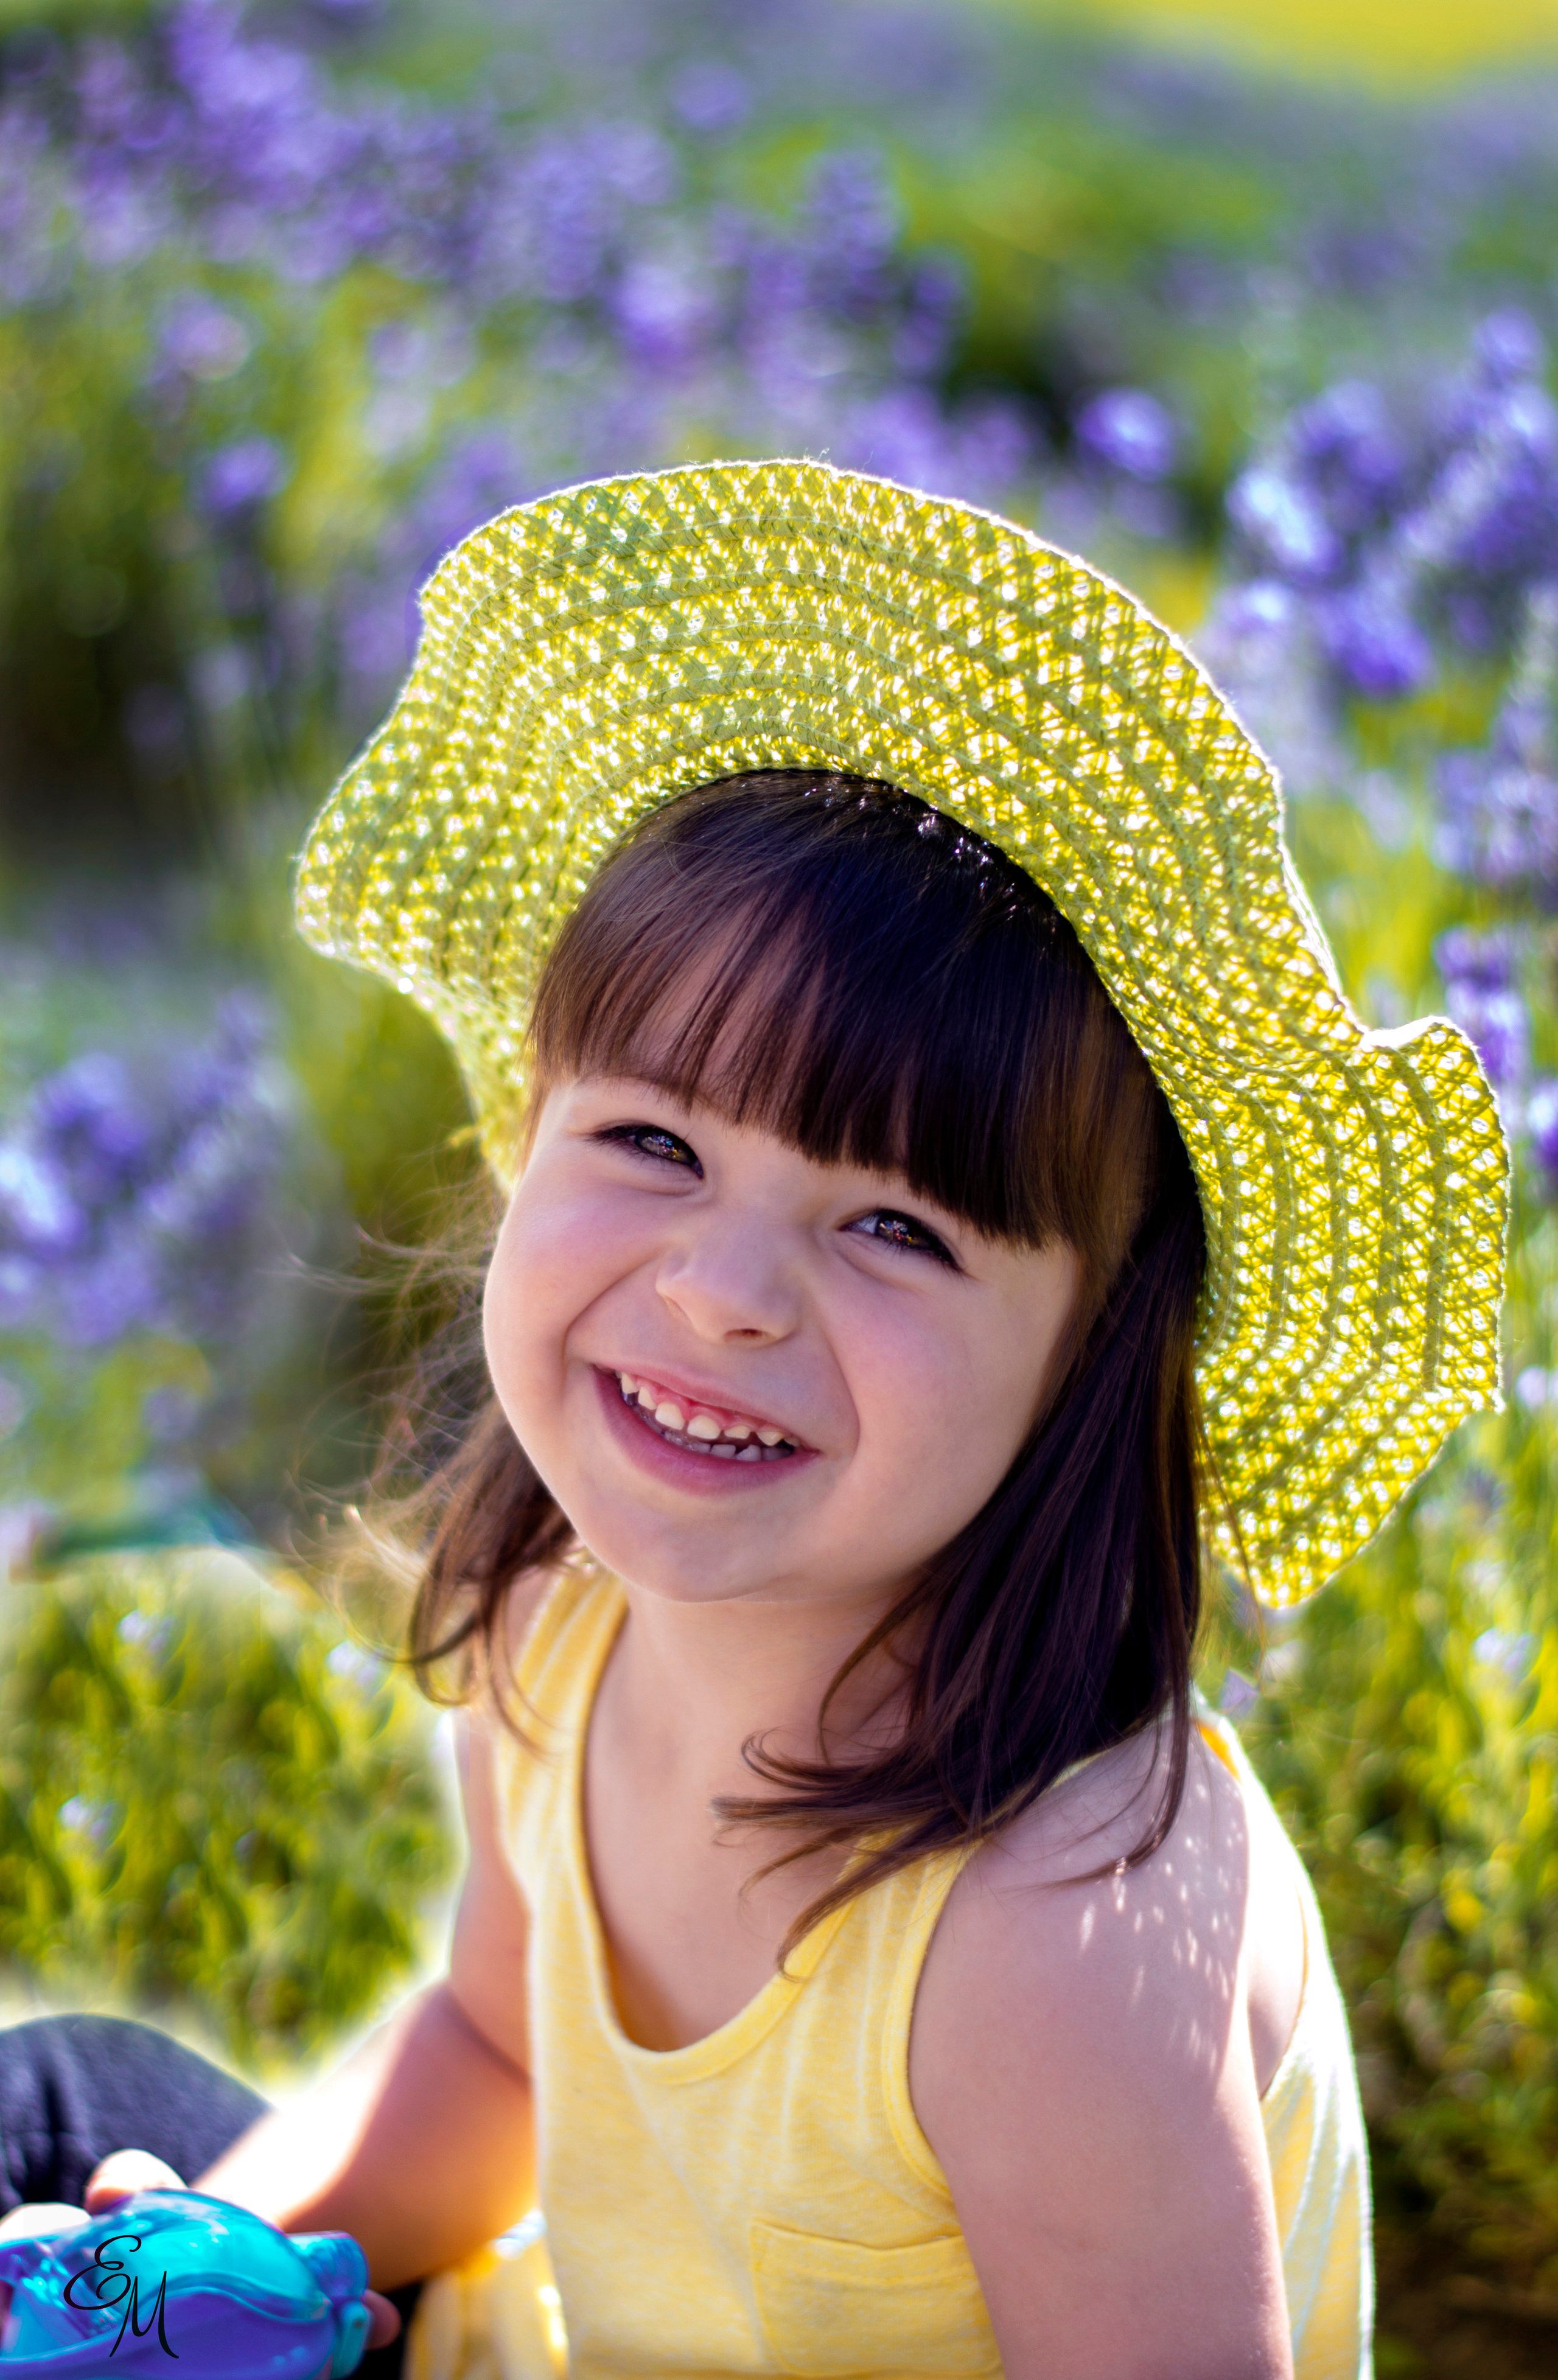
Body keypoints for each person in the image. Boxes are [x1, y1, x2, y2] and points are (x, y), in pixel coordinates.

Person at [0, 462, 1508, 2380]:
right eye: (653, 1141)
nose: (727, 1291)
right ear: (528, 1126)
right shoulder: (562, 1614)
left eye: (897, 1228)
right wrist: (199, 2273)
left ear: (1090, 1361)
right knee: (62, 2110)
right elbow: (496, 2052)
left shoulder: (1062, 1931)